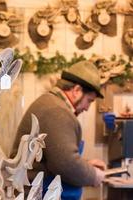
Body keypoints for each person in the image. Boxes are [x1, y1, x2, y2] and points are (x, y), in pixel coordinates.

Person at [12, 60, 106, 200]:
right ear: (76, 91)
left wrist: (85, 164)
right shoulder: (57, 111)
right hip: (38, 195)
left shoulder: (51, 104)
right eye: (89, 101)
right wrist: (93, 175)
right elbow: (65, 164)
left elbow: (53, 156)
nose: (87, 108)